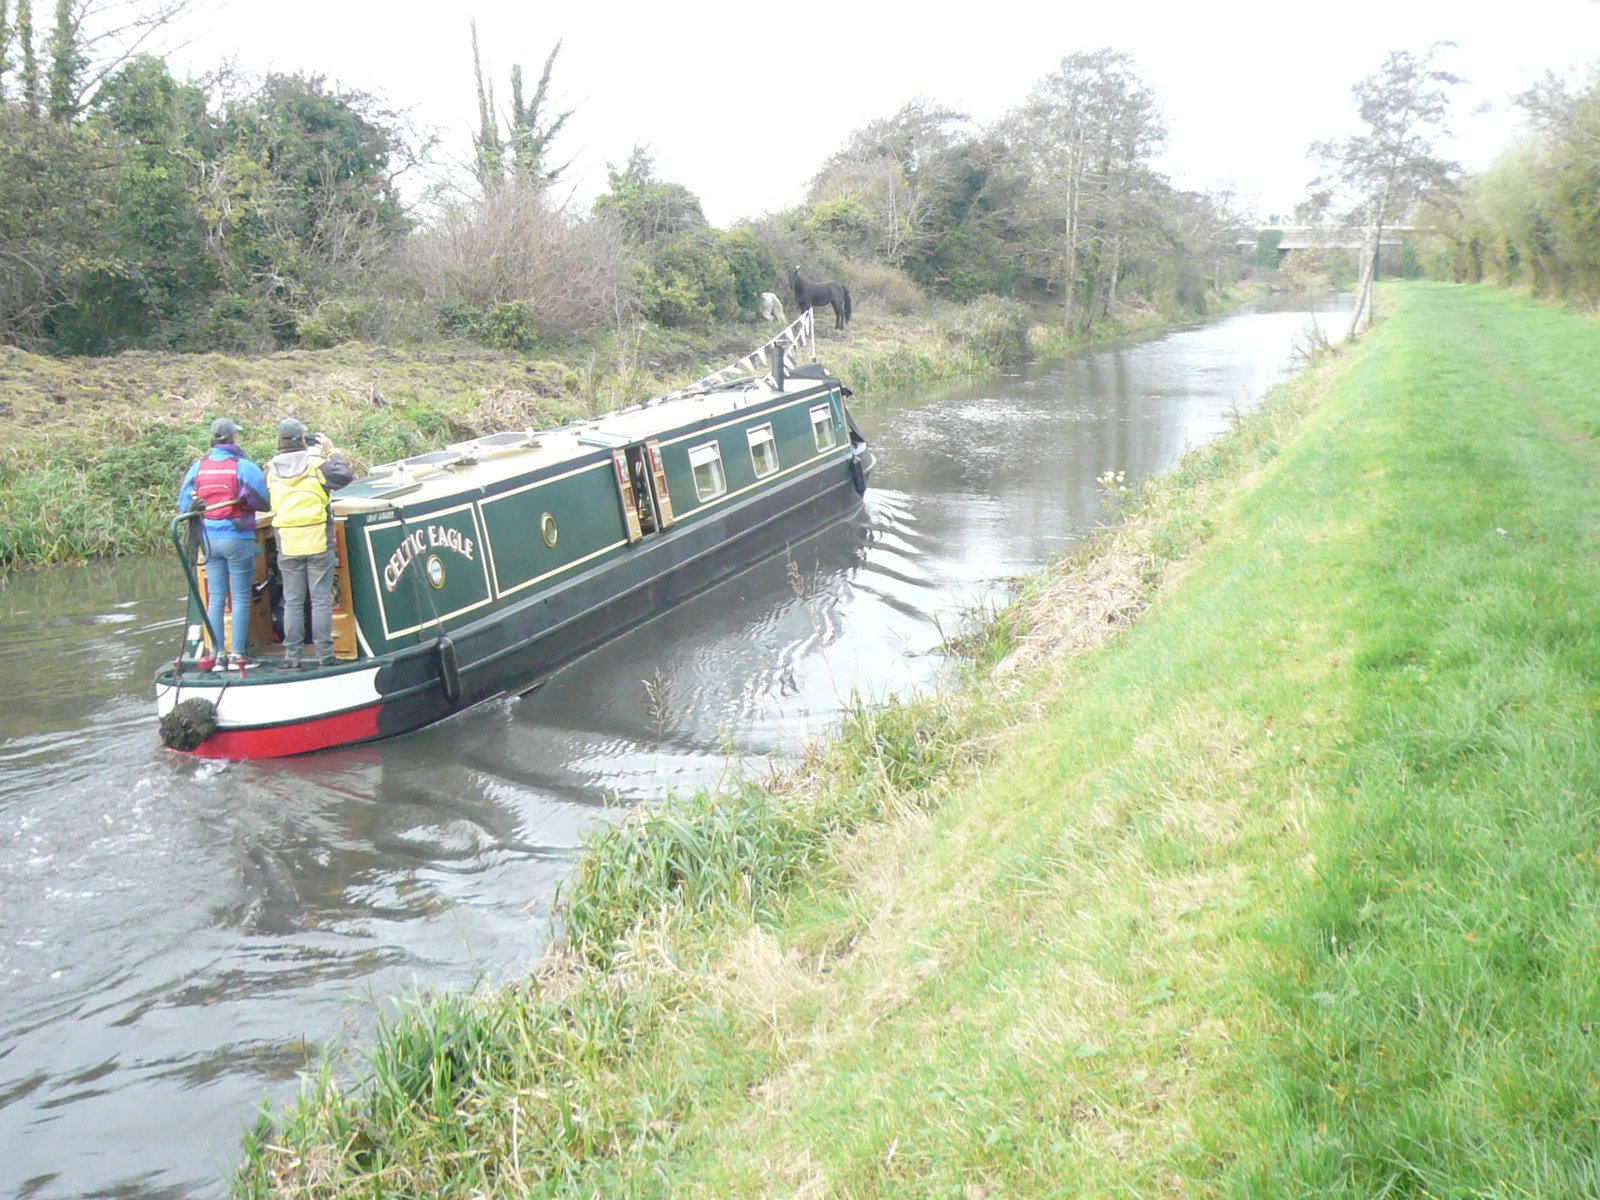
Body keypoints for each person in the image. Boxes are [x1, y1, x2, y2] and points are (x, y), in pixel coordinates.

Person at [177, 417, 269, 669]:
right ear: (233, 438)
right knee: (240, 597)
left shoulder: (197, 468)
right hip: (236, 537)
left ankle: (218, 655)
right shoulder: (244, 466)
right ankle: (239, 655)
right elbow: (263, 501)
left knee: (216, 598)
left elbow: (184, 505)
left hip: (207, 539)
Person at [266, 418, 353, 668]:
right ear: (303, 440)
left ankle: (292, 658)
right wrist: (331, 450)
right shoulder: (318, 467)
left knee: (292, 602)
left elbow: (263, 499)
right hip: (317, 542)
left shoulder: (270, 471)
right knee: (321, 600)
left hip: (288, 545)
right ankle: (325, 656)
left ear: (279, 443)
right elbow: (344, 475)